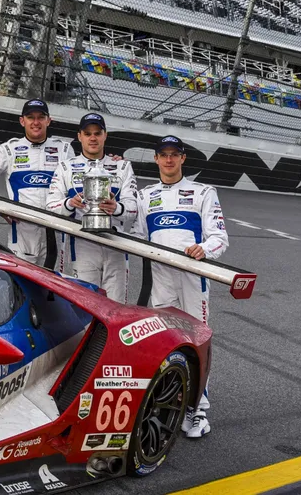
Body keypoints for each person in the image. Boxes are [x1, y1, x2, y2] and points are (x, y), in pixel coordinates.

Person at [130, 135, 228, 439]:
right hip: (159, 277)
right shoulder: (146, 196)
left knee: (196, 341)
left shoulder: (203, 192)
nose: (169, 160)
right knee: (162, 341)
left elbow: (220, 238)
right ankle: (165, 400)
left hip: (192, 277)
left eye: (175, 154)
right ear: (156, 159)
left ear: (183, 159)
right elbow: (135, 235)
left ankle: (198, 409)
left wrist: (203, 249)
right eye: (163, 155)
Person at [0, 99, 75, 268]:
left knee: (51, 287)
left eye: (41, 117)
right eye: (30, 117)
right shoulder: (10, 149)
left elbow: (80, 180)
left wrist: (112, 162)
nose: (36, 122)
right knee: (21, 286)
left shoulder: (63, 149)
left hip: (56, 233)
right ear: (22, 121)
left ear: (49, 120)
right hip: (22, 234)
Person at [45, 113, 138, 301]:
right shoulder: (66, 167)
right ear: (79, 136)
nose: (93, 138)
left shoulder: (122, 166)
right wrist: (69, 204)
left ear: (105, 135)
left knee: (116, 308)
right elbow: (51, 206)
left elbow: (133, 209)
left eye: (97, 133)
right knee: (83, 307)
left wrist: (117, 208)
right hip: (80, 245)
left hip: (115, 246)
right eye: (88, 134)